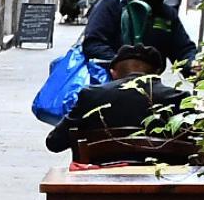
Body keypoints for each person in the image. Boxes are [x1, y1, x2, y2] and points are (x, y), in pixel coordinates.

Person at [45, 42, 187, 154]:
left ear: (113, 73)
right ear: (157, 73)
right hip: (163, 184)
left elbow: (55, 143)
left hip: (98, 184)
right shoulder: (178, 98)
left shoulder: (91, 96)